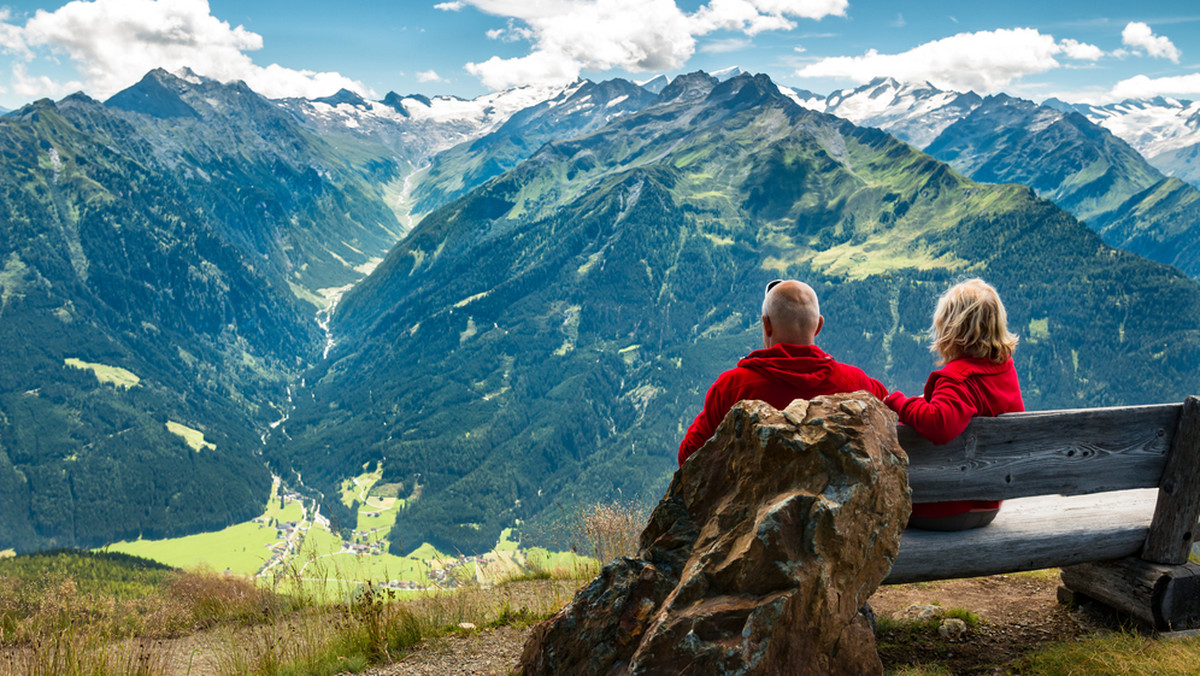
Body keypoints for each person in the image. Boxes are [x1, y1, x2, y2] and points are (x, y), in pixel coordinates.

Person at [678, 279, 888, 465]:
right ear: (818, 326)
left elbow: (689, 457)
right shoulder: (859, 384)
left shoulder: (732, 387)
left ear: (766, 324)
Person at [885, 278, 1024, 531]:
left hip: (943, 508)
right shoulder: (1003, 369)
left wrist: (898, 402)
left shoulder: (957, 379)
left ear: (951, 331)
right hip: (988, 504)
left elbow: (939, 424)